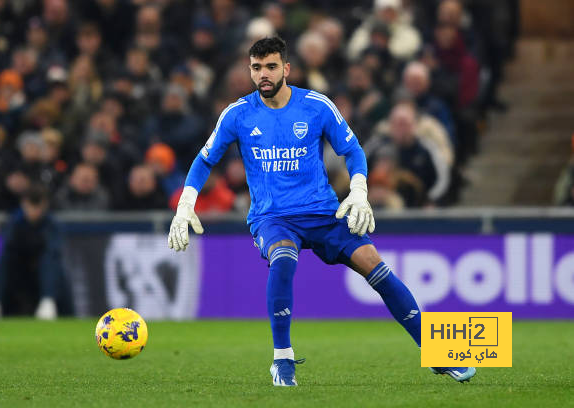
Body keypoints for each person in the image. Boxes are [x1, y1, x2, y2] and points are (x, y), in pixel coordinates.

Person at [167, 37, 476, 386]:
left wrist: (359, 190)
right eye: (256, 68)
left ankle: (436, 351)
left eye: (270, 66)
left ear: (286, 68)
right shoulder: (237, 114)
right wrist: (185, 206)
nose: (263, 75)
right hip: (274, 217)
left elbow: (353, 150)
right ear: (249, 71)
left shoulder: (316, 106)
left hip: (324, 214)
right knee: (283, 258)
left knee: (375, 265)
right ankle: (282, 359)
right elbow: (204, 159)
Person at [0, 184, 72, 319]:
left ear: (45, 205)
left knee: (49, 261)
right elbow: (8, 252)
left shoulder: (52, 225)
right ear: (24, 204)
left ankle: (48, 301)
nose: (34, 211)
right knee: (5, 258)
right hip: (20, 277)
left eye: (37, 206)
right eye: (31, 205)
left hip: (45, 277)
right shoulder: (15, 223)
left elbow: (53, 253)